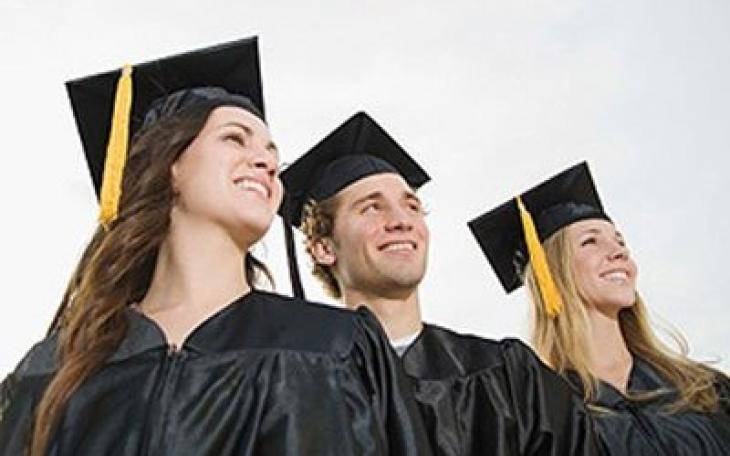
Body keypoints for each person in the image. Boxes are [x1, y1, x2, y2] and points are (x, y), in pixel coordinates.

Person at [0, 38, 432, 456]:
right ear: (169, 165)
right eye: (235, 138)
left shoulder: (335, 343)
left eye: (272, 153)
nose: (266, 163)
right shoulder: (53, 367)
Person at [280, 112, 600, 455]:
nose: (401, 221)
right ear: (324, 248)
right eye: (372, 207)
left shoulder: (507, 377)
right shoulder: (296, 389)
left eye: (412, 206)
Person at [468, 161, 730, 455]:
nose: (619, 252)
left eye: (620, 242)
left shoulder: (703, 388)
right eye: (591, 241)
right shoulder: (543, 415)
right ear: (551, 272)